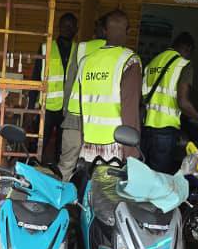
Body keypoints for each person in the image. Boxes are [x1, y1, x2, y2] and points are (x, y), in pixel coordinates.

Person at [67, 10, 142, 170]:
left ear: (104, 31)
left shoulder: (86, 61)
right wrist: (132, 156)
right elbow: (130, 111)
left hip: (87, 148)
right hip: (115, 151)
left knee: (89, 193)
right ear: (128, 31)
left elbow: (80, 108)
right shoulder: (130, 60)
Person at [141, 31, 198, 173]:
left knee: (144, 173)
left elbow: (142, 96)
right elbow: (183, 102)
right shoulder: (183, 64)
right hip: (165, 129)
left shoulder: (153, 63)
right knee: (159, 178)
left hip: (146, 128)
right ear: (187, 49)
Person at [57, 16, 107, 180]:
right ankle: (88, 204)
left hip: (74, 117)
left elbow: (69, 82)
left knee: (66, 166)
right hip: (102, 124)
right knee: (97, 171)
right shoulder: (120, 53)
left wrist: (65, 111)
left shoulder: (81, 48)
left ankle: (60, 203)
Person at [36, 12, 78, 162]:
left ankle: (57, 175)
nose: (68, 28)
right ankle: (34, 170)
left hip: (68, 108)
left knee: (62, 147)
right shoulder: (46, 48)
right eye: (65, 25)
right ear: (59, 27)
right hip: (47, 106)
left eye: (71, 26)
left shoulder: (79, 51)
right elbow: (35, 77)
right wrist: (31, 106)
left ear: (76, 29)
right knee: (40, 143)